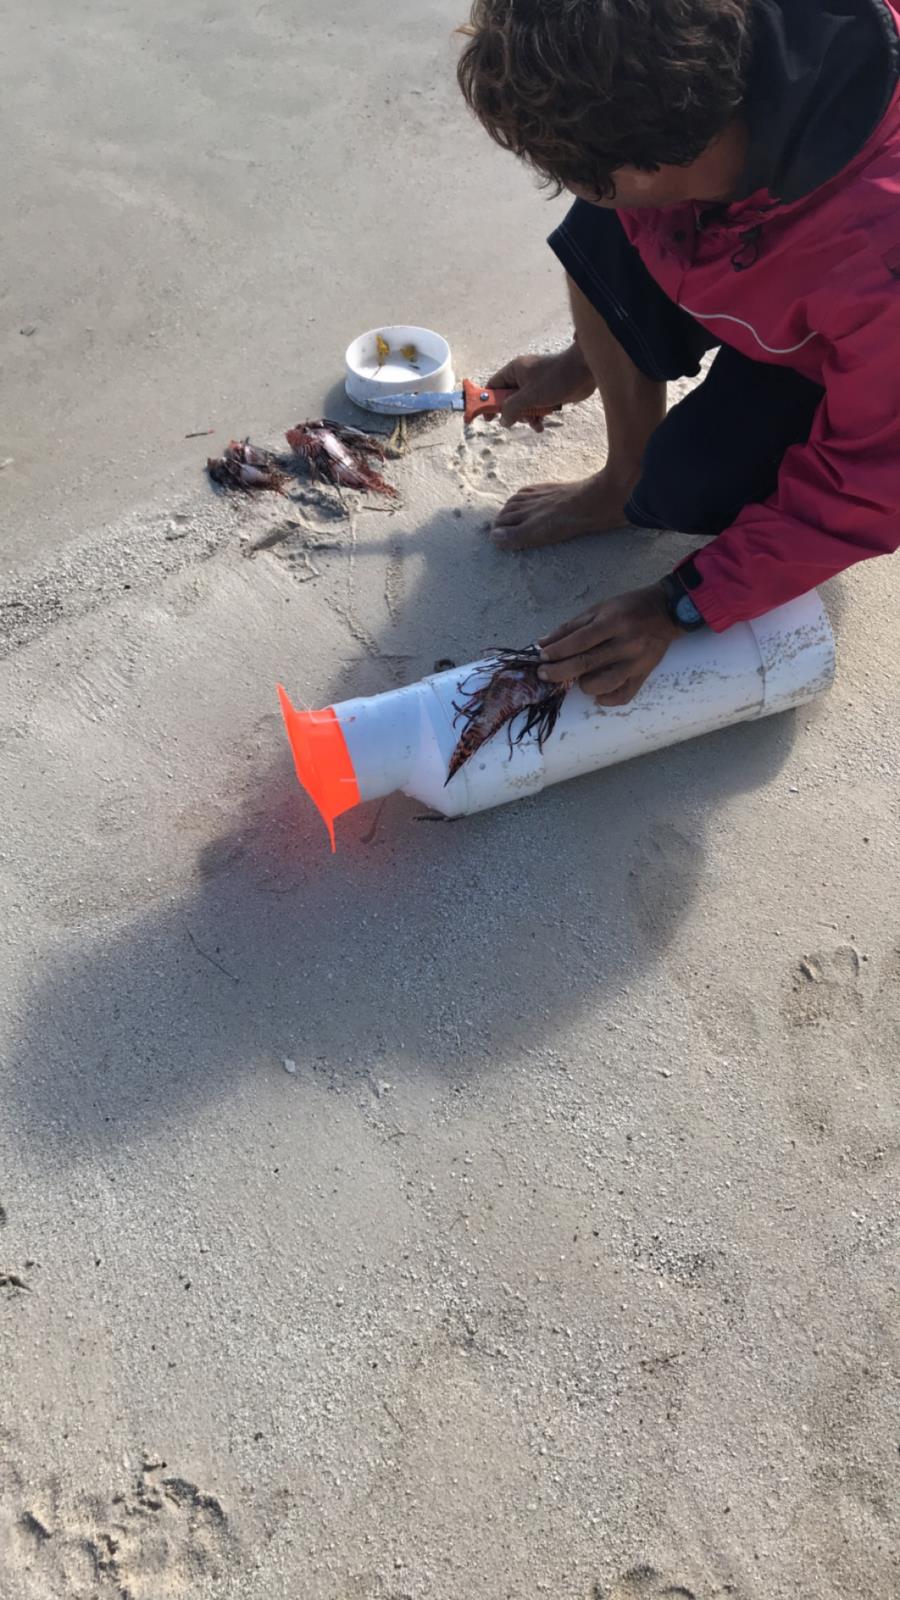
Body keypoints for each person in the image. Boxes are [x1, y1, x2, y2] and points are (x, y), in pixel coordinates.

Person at [457, 0, 900, 704]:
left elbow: (871, 485)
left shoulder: (881, 251)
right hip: (748, 246)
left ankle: (648, 487)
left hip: (853, 349)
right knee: (599, 230)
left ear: (666, 157)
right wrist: (582, 361)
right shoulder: (703, 71)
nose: (570, 184)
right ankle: (619, 481)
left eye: (581, 173)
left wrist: (681, 604)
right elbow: (620, 221)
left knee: (687, 486)